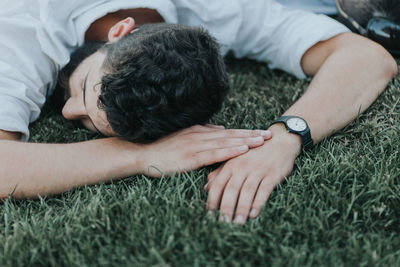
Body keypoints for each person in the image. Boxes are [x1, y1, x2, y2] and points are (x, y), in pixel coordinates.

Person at [0, 1, 397, 225]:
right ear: (118, 31)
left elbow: (366, 57)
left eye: (87, 113)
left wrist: (284, 138)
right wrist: (136, 155)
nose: (68, 113)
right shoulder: (22, 33)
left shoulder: (215, 8)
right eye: (88, 94)